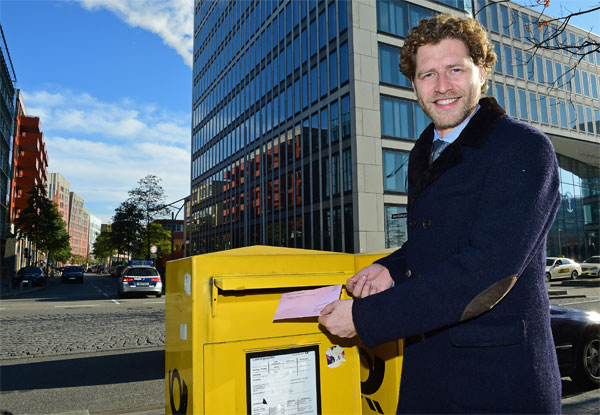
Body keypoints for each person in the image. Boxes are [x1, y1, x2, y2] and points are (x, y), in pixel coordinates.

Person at [318, 13, 561, 414]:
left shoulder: (523, 148)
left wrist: (366, 319)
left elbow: (489, 270)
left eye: (455, 70)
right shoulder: (424, 149)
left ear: (482, 72)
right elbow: (441, 242)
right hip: (428, 374)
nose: (442, 86)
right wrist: (392, 268)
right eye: (427, 74)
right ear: (413, 84)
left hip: (498, 384)